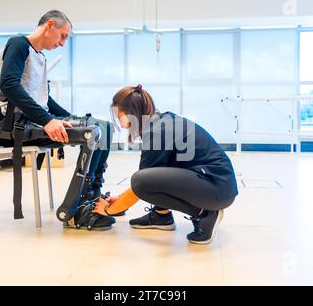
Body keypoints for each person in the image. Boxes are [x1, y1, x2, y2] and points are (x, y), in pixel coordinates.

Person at [0, 10, 114, 229]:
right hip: (17, 125)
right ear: (49, 25)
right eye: (63, 36)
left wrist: (68, 117)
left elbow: (43, 99)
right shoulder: (19, 45)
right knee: (93, 133)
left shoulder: (39, 56)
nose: (62, 43)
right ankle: (76, 210)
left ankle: (93, 197)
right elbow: (9, 85)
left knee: (104, 127)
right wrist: (48, 121)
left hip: (34, 120)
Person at [92, 85, 238, 244]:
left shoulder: (157, 131)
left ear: (132, 113)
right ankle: (161, 216)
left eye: (120, 116)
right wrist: (120, 199)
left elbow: (141, 184)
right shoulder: (160, 122)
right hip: (217, 183)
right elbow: (155, 174)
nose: (120, 123)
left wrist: (109, 210)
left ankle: (205, 213)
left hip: (216, 188)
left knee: (141, 180)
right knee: (152, 175)